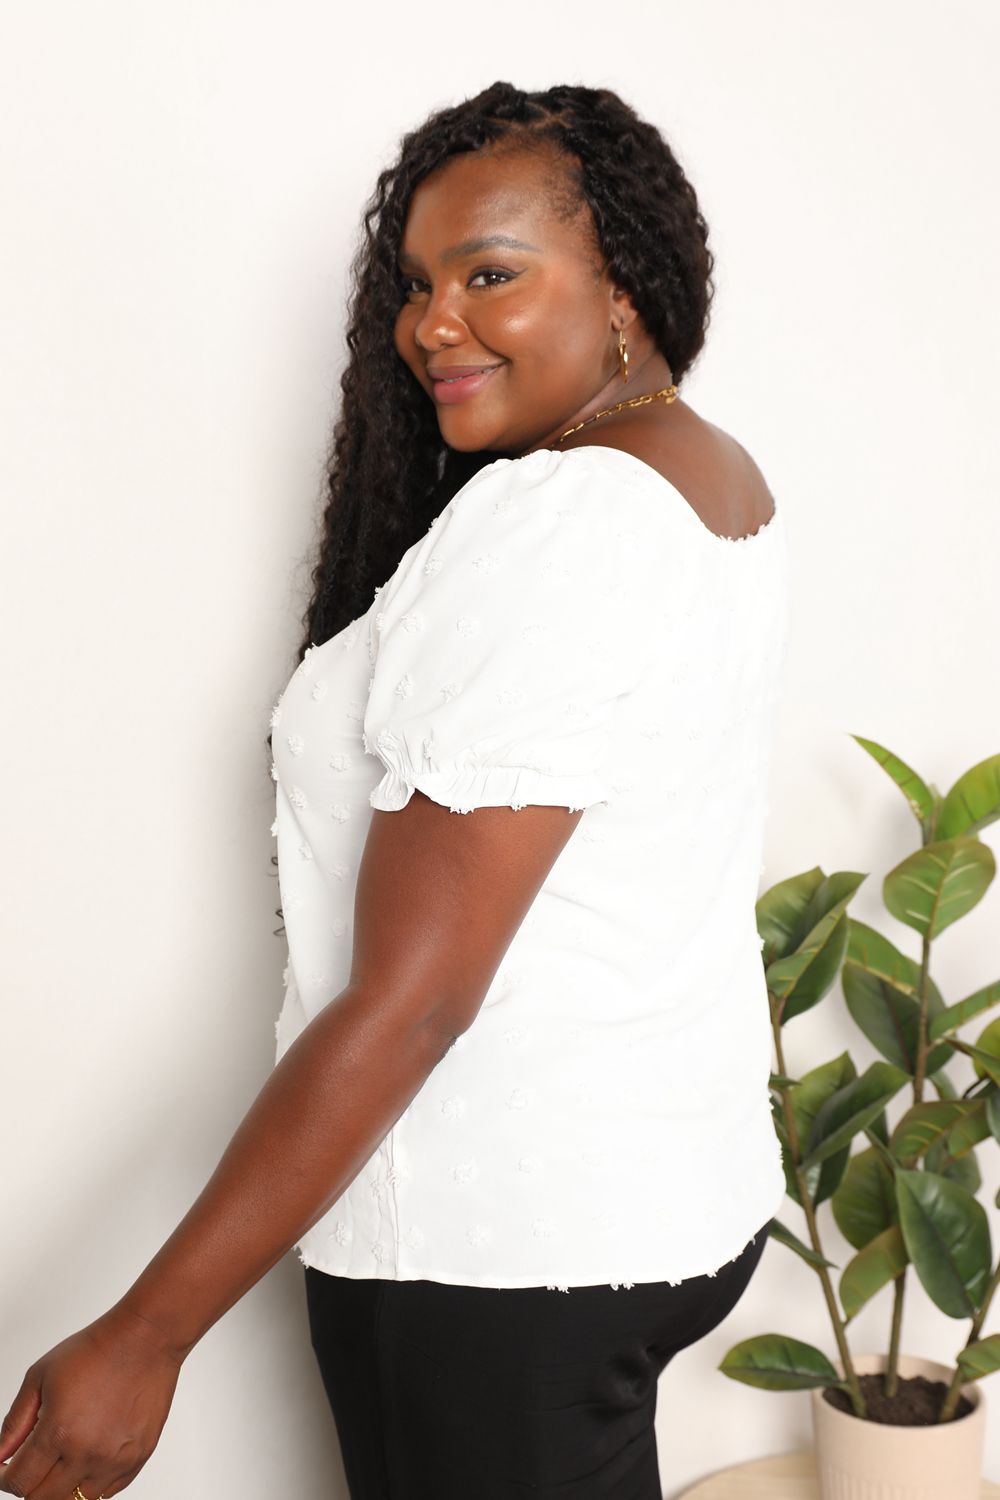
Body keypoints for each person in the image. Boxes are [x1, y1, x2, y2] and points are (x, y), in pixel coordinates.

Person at [0, 81, 788, 1500]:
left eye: (494, 274)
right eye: (419, 283)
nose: (433, 323)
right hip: (653, 1193)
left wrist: (146, 1335)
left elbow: (418, 994)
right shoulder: (700, 474)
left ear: (627, 287)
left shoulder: (555, 523)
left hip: (501, 1250)